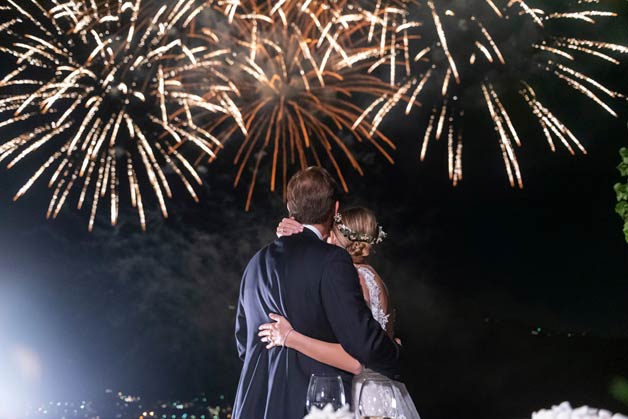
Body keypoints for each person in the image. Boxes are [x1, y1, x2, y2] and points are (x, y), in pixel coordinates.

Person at [233, 167, 401, 419]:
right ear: (334, 210)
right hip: (315, 404)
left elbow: (244, 344)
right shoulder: (332, 260)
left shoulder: (255, 263)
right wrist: (395, 354)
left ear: (290, 207)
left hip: (254, 406)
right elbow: (360, 342)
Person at [259, 208, 421, 419]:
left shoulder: (350, 278)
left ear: (335, 236)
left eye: (327, 234)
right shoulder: (375, 278)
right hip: (390, 392)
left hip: (363, 397)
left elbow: (355, 360)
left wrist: (289, 337)